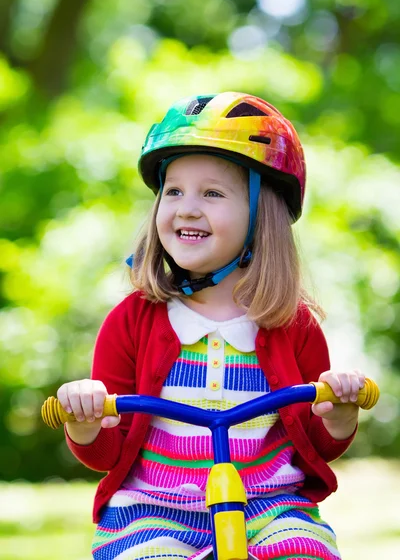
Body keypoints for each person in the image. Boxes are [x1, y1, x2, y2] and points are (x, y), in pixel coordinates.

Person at [57, 92, 364, 560]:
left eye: (212, 193)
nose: (186, 208)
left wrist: (340, 416)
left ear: (264, 217)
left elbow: (313, 444)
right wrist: (84, 425)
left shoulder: (293, 325)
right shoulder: (132, 321)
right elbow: (109, 454)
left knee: (306, 553)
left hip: (269, 506)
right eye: (173, 190)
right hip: (152, 510)